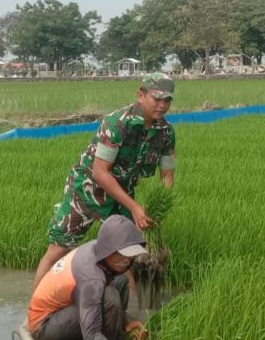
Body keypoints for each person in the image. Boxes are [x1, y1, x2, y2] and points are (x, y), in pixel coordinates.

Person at [33, 73, 176, 291]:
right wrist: (135, 207)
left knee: (126, 254)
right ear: (140, 95)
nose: (162, 105)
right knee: (58, 249)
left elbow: (167, 176)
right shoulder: (117, 124)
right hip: (86, 189)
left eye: (167, 100)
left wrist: (158, 212)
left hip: (121, 193)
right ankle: (34, 313)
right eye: (157, 98)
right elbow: (100, 173)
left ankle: (127, 314)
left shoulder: (166, 133)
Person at [27, 215, 149, 340]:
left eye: (131, 256)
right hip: (43, 326)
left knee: (121, 280)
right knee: (109, 296)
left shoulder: (97, 248)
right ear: (108, 250)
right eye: (122, 255)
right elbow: (91, 335)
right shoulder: (91, 279)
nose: (127, 261)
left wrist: (126, 322)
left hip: (68, 305)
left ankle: (117, 329)